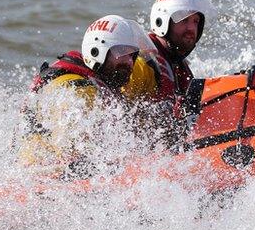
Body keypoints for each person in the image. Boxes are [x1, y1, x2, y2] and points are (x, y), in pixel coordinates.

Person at [22, 15, 176, 173]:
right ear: (97, 51)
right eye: (122, 52)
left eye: (132, 54)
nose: (129, 61)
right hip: (45, 172)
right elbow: (75, 158)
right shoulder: (77, 93)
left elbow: (150, 77)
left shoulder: (113, 72)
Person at [148, 0, 217, 97]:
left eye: (196, 21)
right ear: (162, 22)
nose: (191, 28)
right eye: (184, 20)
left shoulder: (179, 65)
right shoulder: (144, 62)